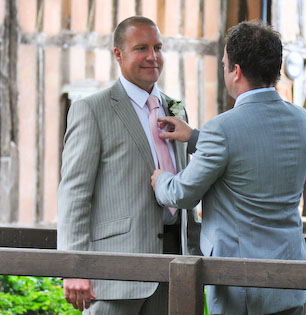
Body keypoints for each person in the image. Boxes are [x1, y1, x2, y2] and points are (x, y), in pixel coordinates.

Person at [151, 21, 306, 315]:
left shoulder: (223, 128)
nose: (224, 70)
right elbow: (255, 156)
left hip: (242, 284)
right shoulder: (301, 119)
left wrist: (161, 179)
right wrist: (195, 137)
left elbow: (183, 194)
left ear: (236, 71)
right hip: (291, 279)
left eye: (225, 65)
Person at [57, 16, 200, 314]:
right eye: (141, 48)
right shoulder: (91, 109)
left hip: (176, 266)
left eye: (158, 47)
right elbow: (74, 193)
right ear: (118, 54)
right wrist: (73, 266)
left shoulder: (176, 107)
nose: (153, 57)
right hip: (114, 272)